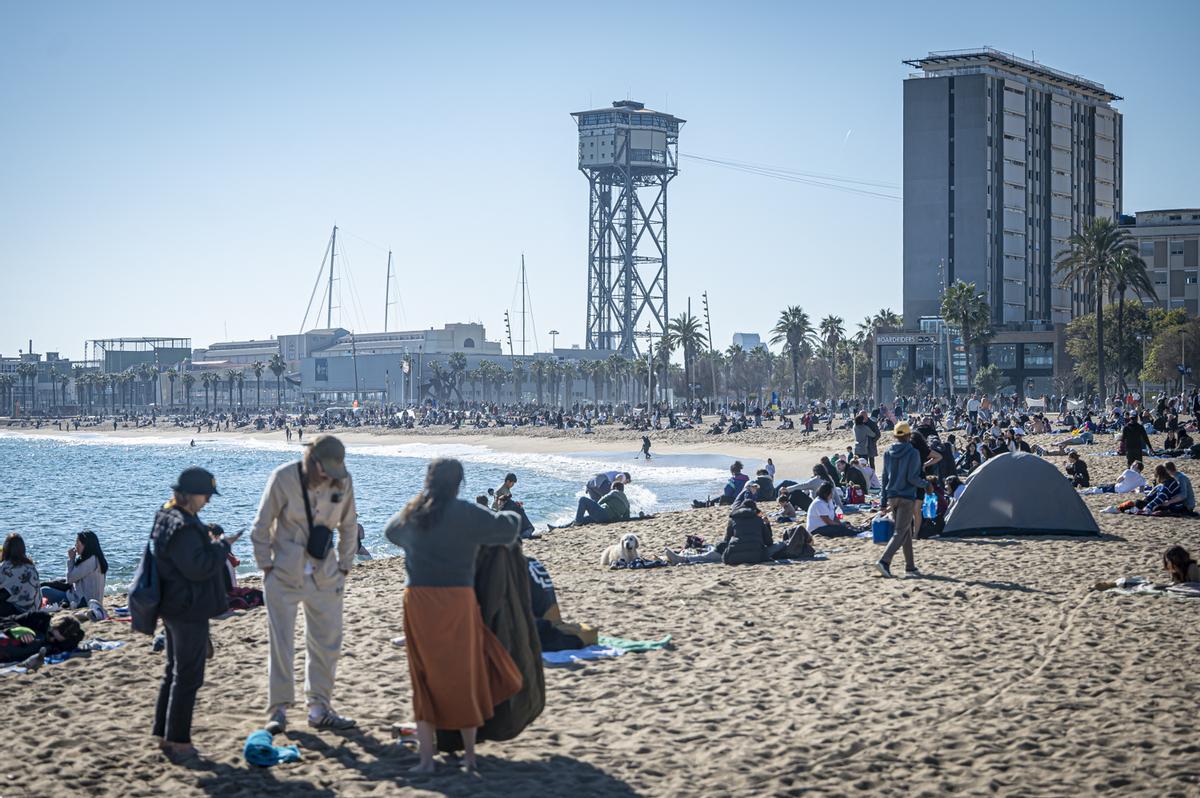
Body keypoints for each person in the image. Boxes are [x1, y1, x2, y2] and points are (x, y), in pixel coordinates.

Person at [384, 458, 524, 774]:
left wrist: (417, 543)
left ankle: (425, 761)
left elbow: (390, 532)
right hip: (458, 600)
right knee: (464, 674)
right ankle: (470, 759)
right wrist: (510, 510)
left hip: (419, 601)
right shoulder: (467, 513)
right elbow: (508, 529)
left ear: (428, 481)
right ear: (459, 483)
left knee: (422, 676)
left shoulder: (415, 512)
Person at [250, 434, 360, 732]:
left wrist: (345, 567)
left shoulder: (343, 481)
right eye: (324, 468)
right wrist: (266, 566)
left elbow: (349, 526)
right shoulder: (283, 478)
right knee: (281, 644)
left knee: (327, 643)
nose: (328, 475)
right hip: (284, 573)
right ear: (311, 459)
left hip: (326, 574)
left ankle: (319, 708)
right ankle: (279, 710)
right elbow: (260, 527)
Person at [151, 467, 241, 761]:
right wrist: (221, 547)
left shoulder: (165, 515)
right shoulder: (186, 526)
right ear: (190, 495)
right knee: (188, 676)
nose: (208, 502)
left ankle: (162, 734)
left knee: (173, 671)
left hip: (171, 604)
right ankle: (179, 741)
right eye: (206, 495)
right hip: (188, 607)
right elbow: (198, 567)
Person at [877, 421, 927, 578]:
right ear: (909, 435)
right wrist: (926, 484)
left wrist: (883, 502)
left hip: (892, 496)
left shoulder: (887, 452)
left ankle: (910, 567)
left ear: (894, 435)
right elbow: (912, 478)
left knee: (905, 532)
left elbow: (884, 478)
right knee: (900, 532)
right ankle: (884, 561)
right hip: (907, 496)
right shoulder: (913, 453)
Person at [40, 530, 107, 609]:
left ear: (86, 545)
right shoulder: (97, 559)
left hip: (82, 601)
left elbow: (70, 579)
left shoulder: (89, 561)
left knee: (43, 591)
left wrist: (71, 559)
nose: (75, 546)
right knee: (57, 581)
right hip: (93, 600)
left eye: (78, 543)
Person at [0, 611, 84, 664]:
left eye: (56, 640)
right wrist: (19, 630)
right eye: (51, 634)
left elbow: (80, 634)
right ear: (51, 624)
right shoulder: (39, 618)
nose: (51, 639)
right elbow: (6, 620)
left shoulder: (69, 638)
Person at [0, 533, 40, 617]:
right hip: (33, 610)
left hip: (17, 612)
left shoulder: (5, 567)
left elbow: (5, 594)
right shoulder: (31, 566)